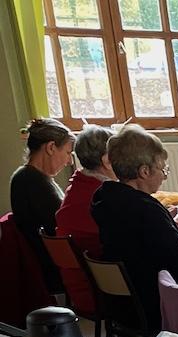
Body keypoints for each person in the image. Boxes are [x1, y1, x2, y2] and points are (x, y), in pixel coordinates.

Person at [92, 125, 178, 333]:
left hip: (128, 304)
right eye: (163, 169)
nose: (165, 176)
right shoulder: (144, 209)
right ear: (144, 171)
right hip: (161, 305)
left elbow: (160, 246)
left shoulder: (108, 199)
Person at [53, 124, 114, 313]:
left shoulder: (77, 187)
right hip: (106, 294)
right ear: (106, 160)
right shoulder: (104, 196)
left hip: (80, 290)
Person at [9, 118, 74, 291]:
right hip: (50, 267)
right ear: (51, 147)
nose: (68, 161)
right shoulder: (32, 181)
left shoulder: (30, 176)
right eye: (68, 153)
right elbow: (60, 226)